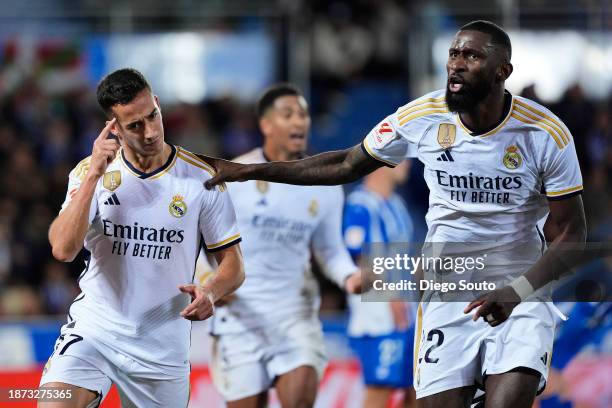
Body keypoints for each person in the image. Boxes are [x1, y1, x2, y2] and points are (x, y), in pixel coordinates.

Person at [203, 20, 587, 408]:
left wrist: (518, 292)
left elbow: (571, 234)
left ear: (503, 71)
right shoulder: (420, 116)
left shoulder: (546, 134)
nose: (457, 63)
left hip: (518, 295)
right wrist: (251, 170)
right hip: (447, 297)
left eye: (472, 55)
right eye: (454, 54)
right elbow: (345, 164)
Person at [41, 68, 245, 408]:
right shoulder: (88, 173)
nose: (150, 131)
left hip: (161, 347)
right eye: (135, 125)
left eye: (153, 115)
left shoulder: (201, 180)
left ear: (158, 104)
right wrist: (94, 174)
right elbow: (62, 249)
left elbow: (234, 266)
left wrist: (211, 290)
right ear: (113, 128)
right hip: (95, 332)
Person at [206, 83, 361, 408]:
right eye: (288, 114)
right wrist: (211, 286)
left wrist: (350, 277)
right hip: (239, 316)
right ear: (265, 124)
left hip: (295, 314)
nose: (299, 122)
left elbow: (330, 250)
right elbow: (198, 241)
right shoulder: (234, 178)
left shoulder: (325, 185)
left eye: (303, 114)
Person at [342, 161, 417, 408]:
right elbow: (361, 259)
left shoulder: (397, 204)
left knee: (416, 386)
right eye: (403, 156)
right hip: (378, 312)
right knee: (380, 386)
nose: (408, 163)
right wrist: (392, 295)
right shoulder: (360, 204)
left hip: (407, 309)